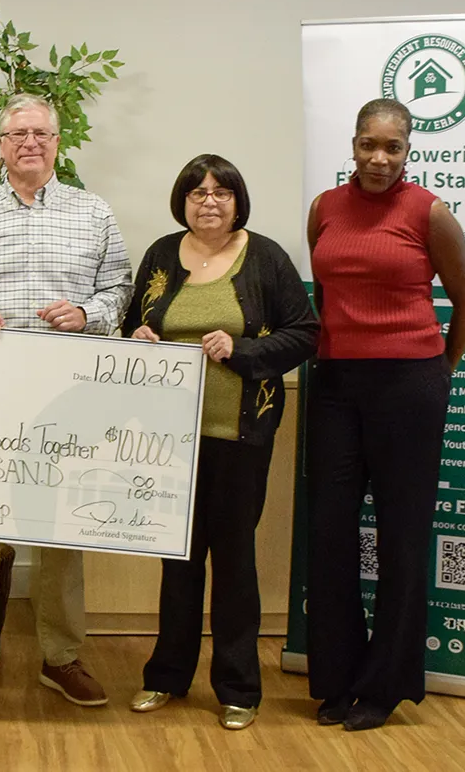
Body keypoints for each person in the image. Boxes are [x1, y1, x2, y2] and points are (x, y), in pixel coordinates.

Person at [0, 93, 133, 708]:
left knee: (62, 527)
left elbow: (119, 285)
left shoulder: (93, 212)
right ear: (2, 146)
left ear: (58, 143)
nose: (29, 143)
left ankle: (61, 657)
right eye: (17, 134)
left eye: (40, 133)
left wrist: (89, 312)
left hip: (69, 392)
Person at [123, 154, 319, 729]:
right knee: (177, 559)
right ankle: (166, 679)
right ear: (182, 200)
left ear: (238, 200)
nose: (209, 201)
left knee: (233, 560)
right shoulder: (162, 252)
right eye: (197, 191)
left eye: (221, 192)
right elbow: (136, 320)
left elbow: (304, 333)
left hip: (241, 433)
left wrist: (242, 351)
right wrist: (139, 335)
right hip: (166, 438)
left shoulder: (266, 257)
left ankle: (239, 690)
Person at [305, 98, 465, 731]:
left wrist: (440, 369)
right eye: (367, 145)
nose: (379, 158)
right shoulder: (325, 208)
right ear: (352, 145)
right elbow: (326, 292)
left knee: (402, 535)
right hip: (335, 382)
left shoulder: (428, 212)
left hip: (409, 382)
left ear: (409, 149)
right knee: (330, 531)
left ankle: (384, 685)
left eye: (393, 148)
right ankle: (335, 678)